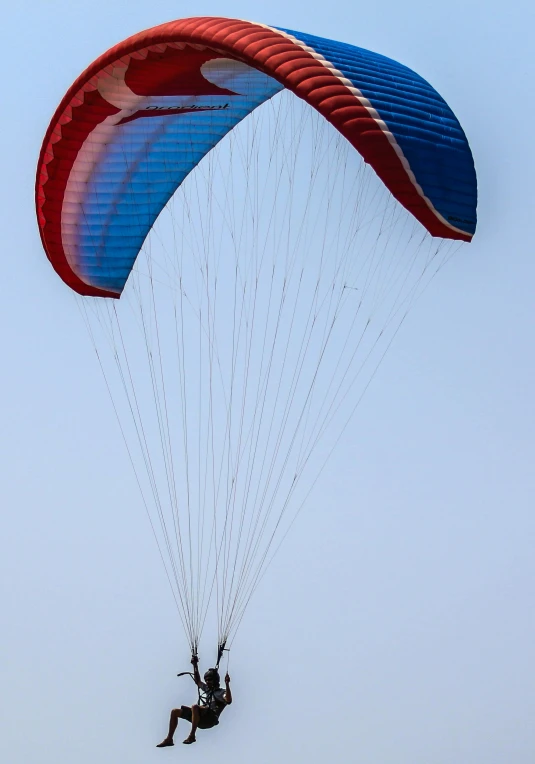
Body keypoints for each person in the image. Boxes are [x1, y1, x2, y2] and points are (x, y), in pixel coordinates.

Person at [157, 655, 232, 746]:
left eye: (210, 680)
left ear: (215, 681)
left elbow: (228, 700)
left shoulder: (221, 692)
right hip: (200, 718)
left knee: (194, 707)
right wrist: (195, 665)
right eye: (206, 680)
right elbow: (198, 681)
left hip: (210, 719)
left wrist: (227, 684)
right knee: (175, 712)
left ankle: (192, 735)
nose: (207, 682)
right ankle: (169, 739)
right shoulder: (207, 689)